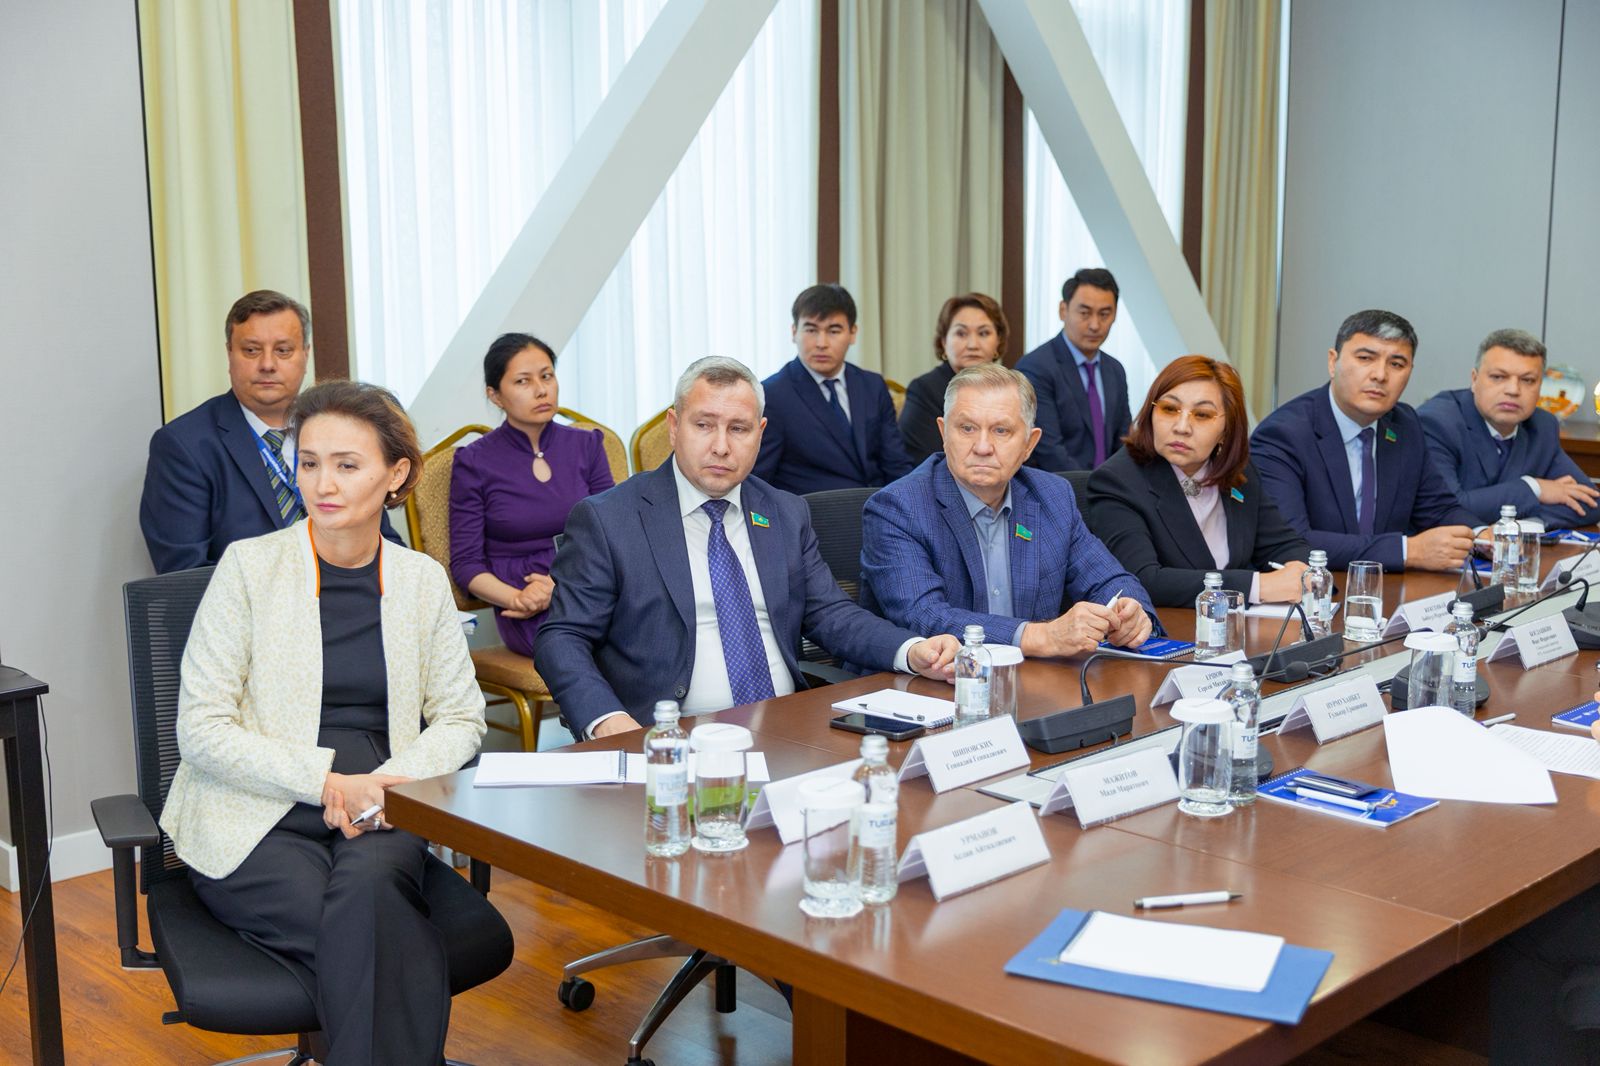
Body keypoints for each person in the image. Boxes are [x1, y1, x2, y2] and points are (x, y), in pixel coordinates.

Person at [162, 381, 488, 1066]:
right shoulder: (249, 568)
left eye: (347, 464)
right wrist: (328, 783)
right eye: (308, 463)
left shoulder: (421, 580)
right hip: (255, 811)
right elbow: (202, 728)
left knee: (368, 908)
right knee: (374, 933)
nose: (322, 484)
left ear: (396, 474)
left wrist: (385, 784)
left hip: (382, 803)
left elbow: (461, 717)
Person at [538, 356, 959, 740]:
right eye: (704, 425)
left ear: (759, 433)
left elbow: (831, 614)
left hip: (788, 728)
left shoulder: (784, 511)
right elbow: (562, 637)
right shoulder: (610, 519)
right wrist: (607, 720)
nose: (721, 446)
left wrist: (911, 650)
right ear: (674, 426)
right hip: (669, 738)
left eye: (738, 429)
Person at [860, 364, 1157, 655]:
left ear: (1029, 443)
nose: (983, 447)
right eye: (967, 428)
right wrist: (1040, 636)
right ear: (944, 432)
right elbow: (924, 616)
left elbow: (1109, 579)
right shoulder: (899, 507)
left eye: (1001, 430)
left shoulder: (1052, 497)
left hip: (1033, 677)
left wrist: (1132, 613)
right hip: (932, 680)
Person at [140, 289, 399, 573]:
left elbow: (385, 544)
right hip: (246, 601)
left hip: (352, 595)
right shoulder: (184, 445)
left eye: (283, 350)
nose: (267, 365)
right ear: (229, 353)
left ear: (305, 354)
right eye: (251, 350)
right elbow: (184, 574)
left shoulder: (341, 433)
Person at [1251, 309, 1478, 572]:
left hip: (1386, 587)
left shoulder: (1404, 424)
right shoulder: (1283, 434)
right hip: (1314, 588)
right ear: (1333, 362)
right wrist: (1408, 551)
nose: (1380, 375)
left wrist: (1482, 534)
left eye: (1396, 364)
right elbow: (1290, 542)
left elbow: (1437, 509)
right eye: (1365, 358)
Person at [1086, 356, 1312, 607]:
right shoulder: (1118, 481)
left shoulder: (1239, 473)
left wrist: (1300, 573)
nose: (1182, 427)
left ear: (1227, 429)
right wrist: (1258, 587)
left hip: (1236, 625)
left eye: (1202, 415)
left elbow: (1284, 546)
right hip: (1168, 628)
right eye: (1169, 409)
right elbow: (1142, 579)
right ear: (1151, 413)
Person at [448, 333, 615, 658]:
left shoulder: (587, 445)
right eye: (523, 381)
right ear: (495, 395)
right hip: (525, 599)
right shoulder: (474, 462)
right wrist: (518, 599)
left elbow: (612, 534)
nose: (541, 390)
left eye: (547, 376)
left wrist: (564, 586)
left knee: (654, 631)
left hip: (590, 583)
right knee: (596, 649)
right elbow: (466, 564)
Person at [1419, 328, 1600, 527]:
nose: (1513, 390)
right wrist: (1535, 488)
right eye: (1498, 377)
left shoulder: (1542, 426)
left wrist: (1520, 527)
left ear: (1540, 387)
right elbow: (1446, 509)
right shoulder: (1438, 422)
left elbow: (1591, 503)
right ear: (1474, 379)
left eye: (1528, 380)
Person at [752, 283, 914, 494]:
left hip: (878, 505)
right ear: (794, 332)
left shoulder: (872, 386)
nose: (821, 343)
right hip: (813, 511)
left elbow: (896, 463)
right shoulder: (773, 394)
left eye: (834, 331)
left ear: (853, 333)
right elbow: (759, 481)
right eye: (811, 330)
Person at [1016, 267, 1133, 472]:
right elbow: (1050, 450)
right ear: (1063, 310)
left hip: (1108, 486)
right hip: (1057, 485)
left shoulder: (1115, 370)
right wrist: (1093, 487)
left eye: (1104, 314)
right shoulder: (1036, 367)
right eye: (1084, 313)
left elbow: (1123, 442)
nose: (1095, 325)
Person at [898, 292, 1011, 464]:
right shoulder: (924, 390)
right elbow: (928, 461)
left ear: (998, 341)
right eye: (961, 334)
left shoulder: (1012, 390)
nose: (973, 345)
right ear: (944, 342)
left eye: (983, 333)